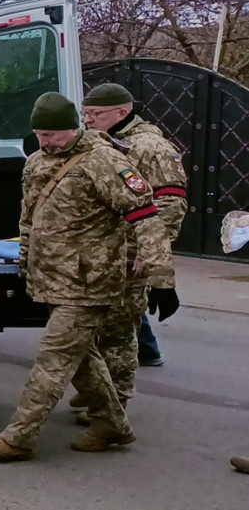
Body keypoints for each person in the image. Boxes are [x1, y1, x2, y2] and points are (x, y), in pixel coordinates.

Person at [0, 92, 170, 461]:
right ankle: (112, 424)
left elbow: (144, 215)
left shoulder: (105, 161)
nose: (46, 143)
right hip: (49, 278)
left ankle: (18, 437)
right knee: (82, 359)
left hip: (89, 282)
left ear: (73, 128)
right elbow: (28, 220)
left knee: (53, 357)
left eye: (53, 135)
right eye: (40, 135)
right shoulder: (35, 162)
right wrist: (24, 264)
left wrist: (160, 274)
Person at [80, 83, 185, 376]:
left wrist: (150, 254)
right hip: (105, 249)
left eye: (94, 114)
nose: (87, 120)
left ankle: (112, 401)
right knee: (111, 319)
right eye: (84, 114)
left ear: (121, 112)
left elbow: (170, 203)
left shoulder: (152, 147)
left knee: (118, 329)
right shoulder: (100, 141)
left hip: (130, 250)